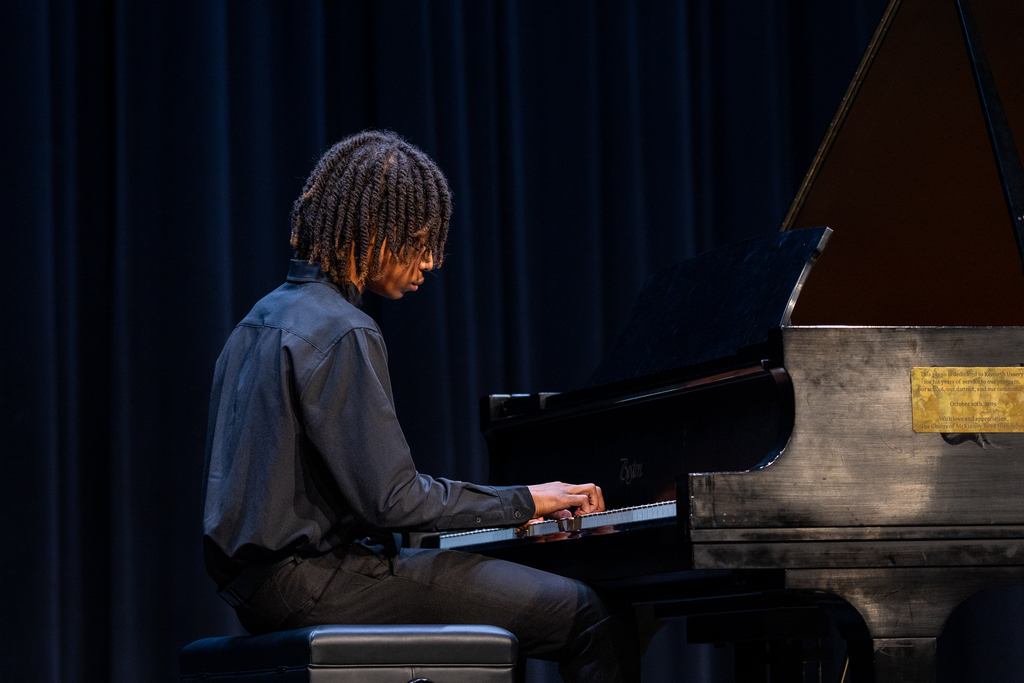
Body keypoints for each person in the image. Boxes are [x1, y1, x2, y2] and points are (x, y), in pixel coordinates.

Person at [201, 130, 641, 682]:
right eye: (418, 241)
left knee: (508, 599)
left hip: (259, 589)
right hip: (317, 583)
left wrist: (500, 516)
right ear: (373, 229)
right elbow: (394, 502)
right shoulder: (344, 330)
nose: (430, 262)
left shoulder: (259, 320)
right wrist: (526, 500)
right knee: (593, 616)